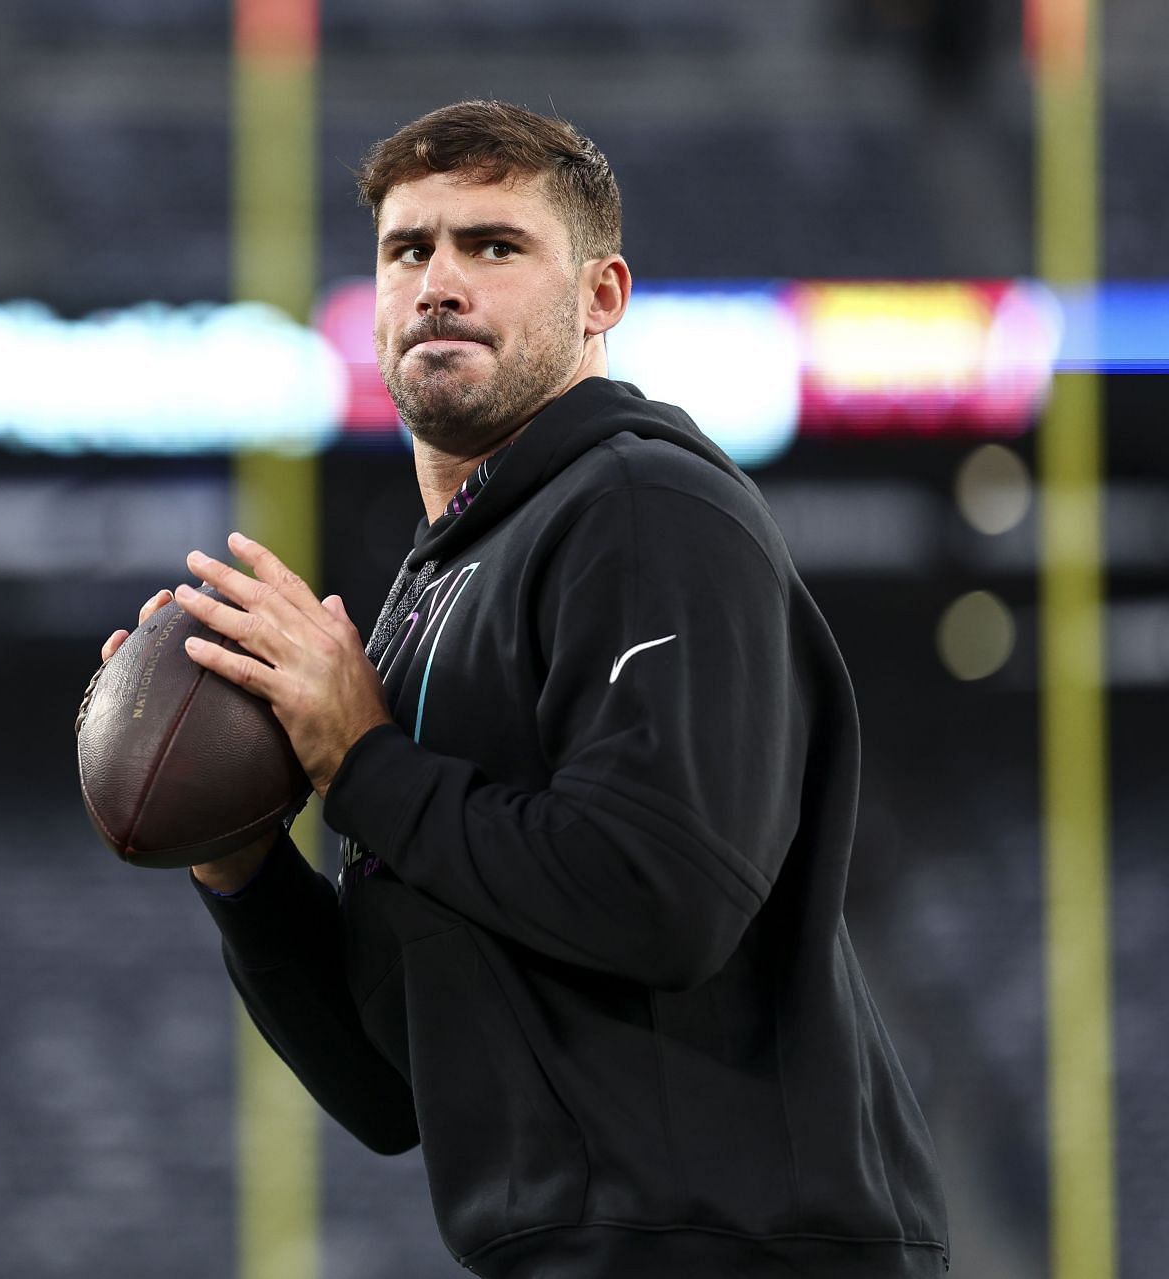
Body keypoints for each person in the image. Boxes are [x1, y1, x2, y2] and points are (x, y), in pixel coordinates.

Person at [100, 100, 948, 1278]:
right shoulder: (426, 595)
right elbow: (388, 1085)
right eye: (411, 250)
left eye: (493, 247)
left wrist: (364, 763)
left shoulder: (645, 506)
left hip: (733, 1250)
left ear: (600, 297)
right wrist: (237, 858)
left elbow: (667, 893)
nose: (440, 283)